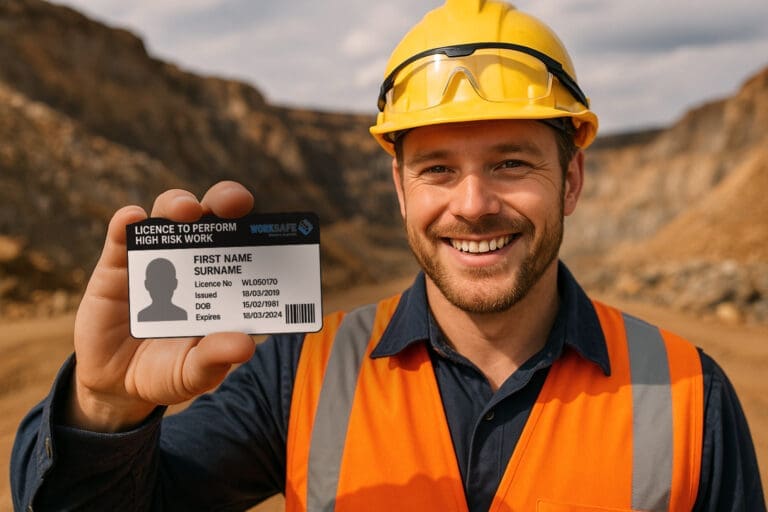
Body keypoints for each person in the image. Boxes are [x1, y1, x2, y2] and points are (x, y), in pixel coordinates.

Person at [11, 1, 765, 510]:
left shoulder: (692, 394)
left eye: (511, 164)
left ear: (570, 178)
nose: (472, 204)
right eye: (437, 168)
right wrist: (105, 410)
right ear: (399, 189)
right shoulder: (297, 375)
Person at [137, 258, 188, 322]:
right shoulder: (142, 316)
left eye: (165, 282)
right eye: (156, 282)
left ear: (175, 284)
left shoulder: (181, 315)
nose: (160, 287)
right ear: (147, 285)